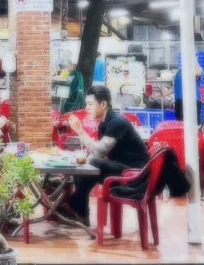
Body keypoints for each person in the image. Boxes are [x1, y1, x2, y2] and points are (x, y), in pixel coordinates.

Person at [64, 83, 149, 223]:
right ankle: (80, 212)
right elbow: (99, 153)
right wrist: (82, 163)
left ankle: (75, 206)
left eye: (90, 104)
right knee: (84, 169)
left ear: (103, 104)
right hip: (121, 167)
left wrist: (79, 130)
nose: (86, 108)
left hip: (135, 174)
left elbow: (98, 151)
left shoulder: (116, 122)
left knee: (93, 163)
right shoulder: (105, 122)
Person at [174, 55, 203, 124]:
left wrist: (194, 60)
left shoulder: (194, 70)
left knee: (193, 124)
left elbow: (199, 73)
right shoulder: (180, 72)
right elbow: (176, 86)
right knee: (180, 124)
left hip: (192, 100)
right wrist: (165, 93)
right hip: (179, 101)